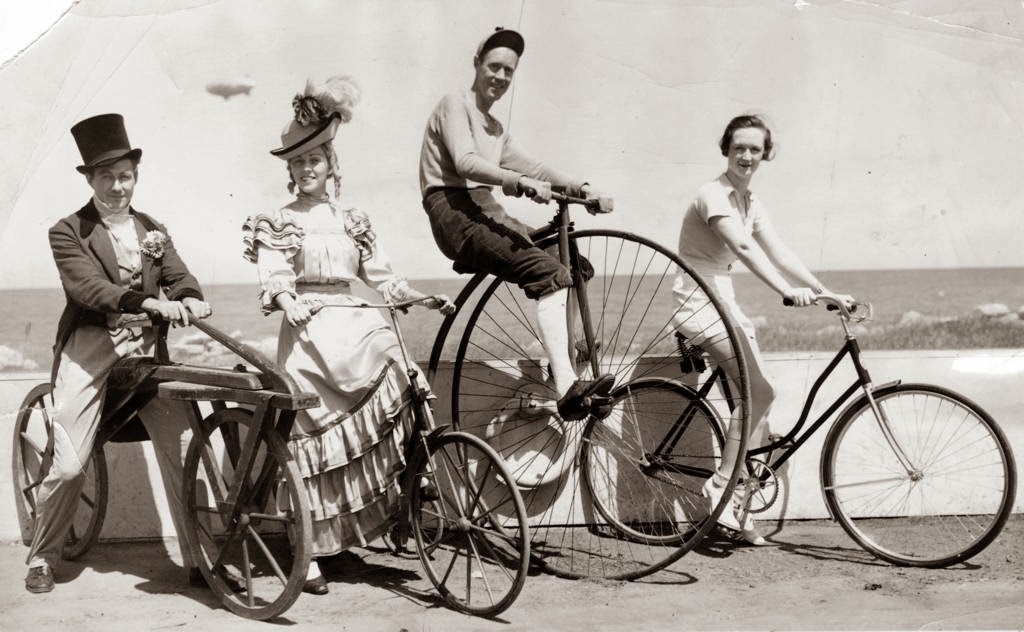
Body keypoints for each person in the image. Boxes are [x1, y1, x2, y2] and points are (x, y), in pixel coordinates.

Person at [242, 75, 455, 596]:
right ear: (289, 170)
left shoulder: (351, 218)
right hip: (310, 328)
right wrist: (287, 297)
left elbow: (381, 277)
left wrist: (419, 297)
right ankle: (308, 553)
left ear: (331, 162)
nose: (306, 168)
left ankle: (411, 483)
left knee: (399, 365)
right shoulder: (277, 220)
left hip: (354, 319)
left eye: (315, 158)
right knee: (313, 438)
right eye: (298, 161)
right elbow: (273, 272)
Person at [26, 113, 214, 593]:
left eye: (125, 176)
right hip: (90, 349)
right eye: (106, 176)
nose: (117, 187)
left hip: (147, 352)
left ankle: (202, 559)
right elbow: (88, 288)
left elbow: (177, 272)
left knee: (186, 446)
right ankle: (43, 557)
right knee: (69, 466)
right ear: (89, 179)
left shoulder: (153, 228)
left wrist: (189, 295)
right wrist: (145, 301)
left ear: (136, 177)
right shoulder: (68, 231)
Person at [671, 114, 851, 545]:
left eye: (755, 149)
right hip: (697, 303)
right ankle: (720, 487)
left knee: (759, 407)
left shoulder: (750, 201)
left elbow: (779, 249)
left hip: (724, 302)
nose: (746, 156)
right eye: (739, 148)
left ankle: (741, 509)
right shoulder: (712, 195)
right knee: (759, 394)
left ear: (765, 153)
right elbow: (743, 246)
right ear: (726, 150)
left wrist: (824, 291)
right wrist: (785, 291)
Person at [419, 27, 615, 420]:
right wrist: (519, 183)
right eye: (494, 67)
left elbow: (535, 166)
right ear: (476, 63)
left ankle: (564, 356)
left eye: (509, 71)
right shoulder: (453, 103)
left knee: (573, 267)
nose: (501, 77)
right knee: (548, 273)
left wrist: (582, 189)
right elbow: (465, 162)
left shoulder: (494, 128)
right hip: (453, 210)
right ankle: (567, 390)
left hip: (485, 208)